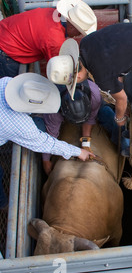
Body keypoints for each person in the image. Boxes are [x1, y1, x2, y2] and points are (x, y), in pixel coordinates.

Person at [48, 20, 132, 152]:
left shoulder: (101, 76)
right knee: (131, 90)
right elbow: (114, 60)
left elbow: (121, 99)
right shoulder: (86, 43)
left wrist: (120, 118)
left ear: (78, 77)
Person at [0, 73, 94, 209]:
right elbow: (45, 143)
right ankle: (3, 204)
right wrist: (78, 151)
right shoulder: (21, 125)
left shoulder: (5, 83)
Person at [42, 39, 102, 174]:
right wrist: (46, 160)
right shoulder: (53, 110)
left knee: (105, 113)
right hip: (57, 93)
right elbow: (51, 134)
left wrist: (86, 143)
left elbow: (91, 117)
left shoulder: (94, 93)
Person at [0, 0, 96, 78]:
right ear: (72, 26)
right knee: (9, 90)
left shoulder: (52, 13)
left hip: (5, 34)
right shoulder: (55, 39)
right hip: (6, 50)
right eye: (79, 31)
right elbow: (60, 70)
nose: (78, 35)